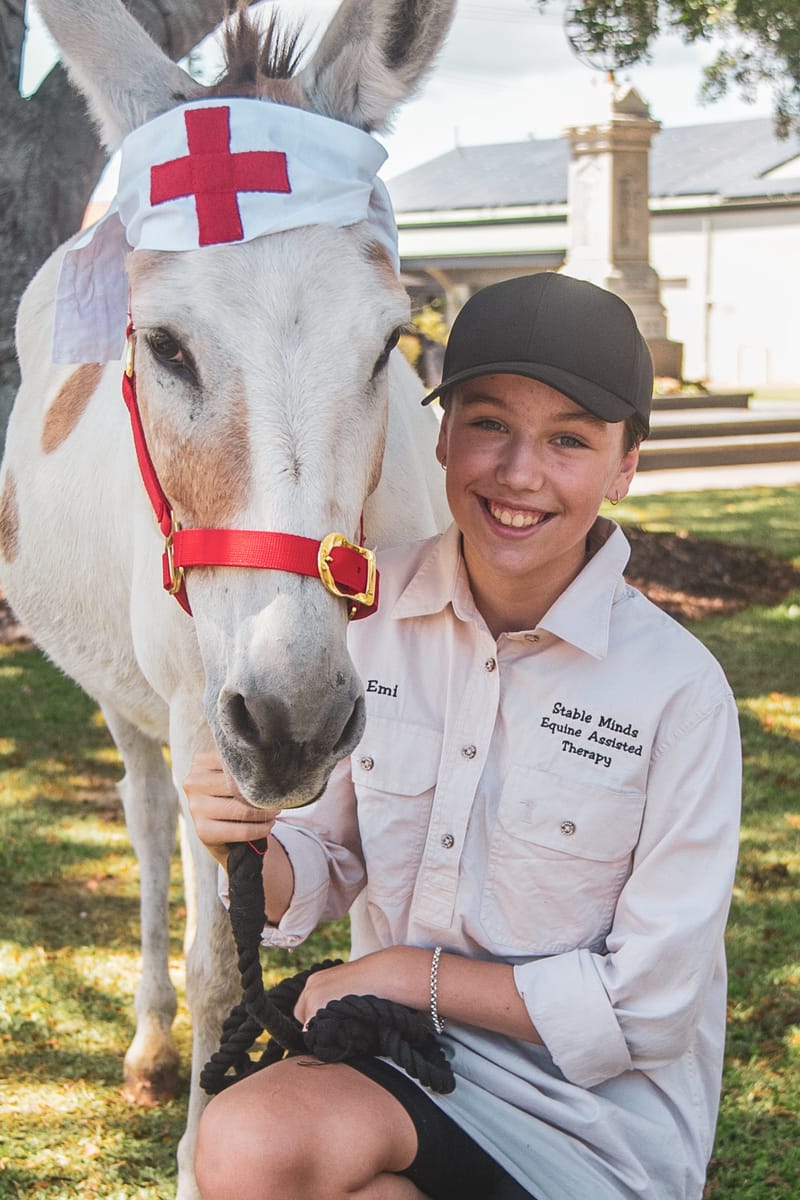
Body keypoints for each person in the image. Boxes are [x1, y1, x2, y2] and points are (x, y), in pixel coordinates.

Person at [185, 272, 741, 1200]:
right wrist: (245, 840)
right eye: (489, 424)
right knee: (250, 1141)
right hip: (407, 1059)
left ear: (625, 467)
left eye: (569, 440)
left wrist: (410, 973)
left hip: (593, 1120)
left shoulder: (680, 693)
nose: (520, 473)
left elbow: (649, 1006)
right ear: (442, 437)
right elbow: (327, 859)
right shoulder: (368, 616)